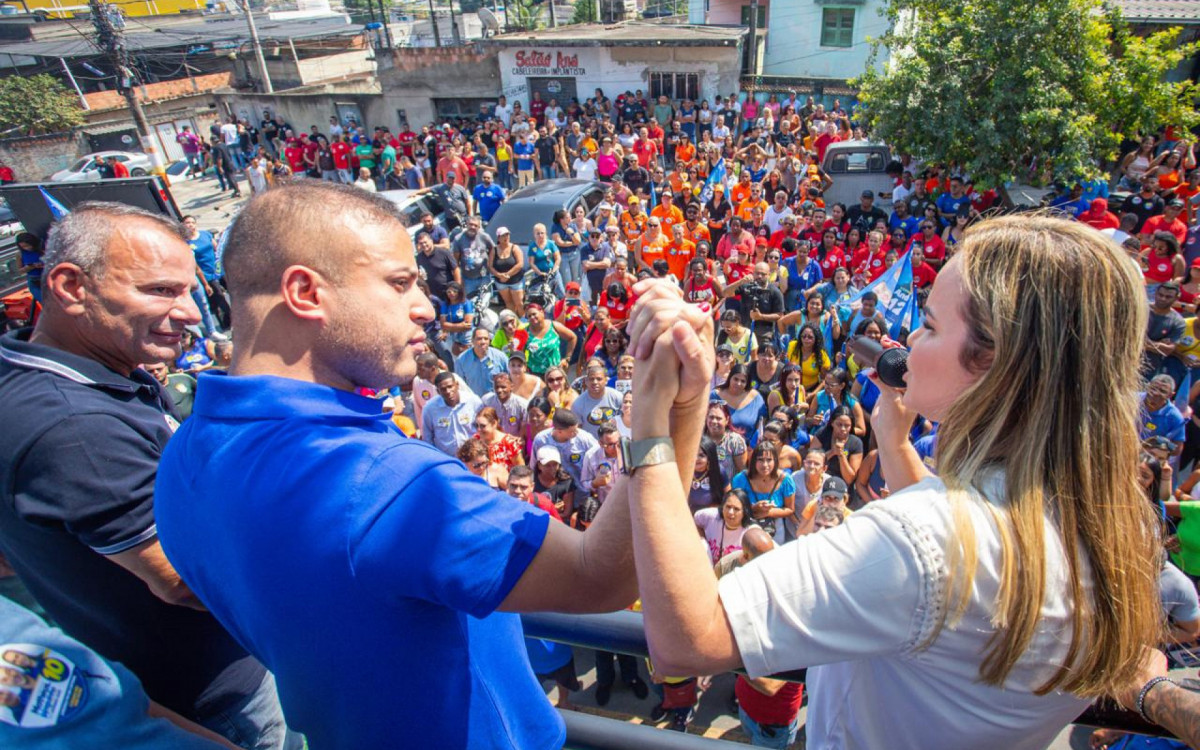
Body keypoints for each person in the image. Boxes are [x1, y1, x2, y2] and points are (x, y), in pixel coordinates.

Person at [153, 182, 711, 749]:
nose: (426, 305)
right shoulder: (388, 485)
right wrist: (675, 407)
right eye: (399, 283)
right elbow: (607, 575)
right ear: (304, 291)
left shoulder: (180, 458)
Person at [624, 215, 1163, 750]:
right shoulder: (1115, 519)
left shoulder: (918, 537)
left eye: (928, 325)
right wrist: (897, 445)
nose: (906, 340)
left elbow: (683, 638)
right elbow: (961, 572)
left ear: (992, 362)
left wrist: (657, 417)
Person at [0, 202, 293, 749]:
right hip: (215, 700)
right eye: (161, 291)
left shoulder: (48, 372)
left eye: (189, 290)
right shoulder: (74, 428)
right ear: (68, 286)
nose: (190, 312)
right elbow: (184, 580)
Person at [421, 370, 483, 455]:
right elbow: (427, 438)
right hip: (446, 458)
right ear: (438, 391)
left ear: (457, 385)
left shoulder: (473, 401)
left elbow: (483, 428)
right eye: (443, 389)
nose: (448, 391)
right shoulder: (430, 409)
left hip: (473, 455)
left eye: (450, 387)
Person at [571, 363, 624, 439]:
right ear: (586, 381)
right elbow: (577, 431)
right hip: (592, 445)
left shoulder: (617, 397)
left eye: (599, 379)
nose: (595, 382)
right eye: (591, 379)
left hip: (616, 443)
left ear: (606, 380)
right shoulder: (578, 404)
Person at [455, 326, 508, 398]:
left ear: (490, 341)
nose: (483, 342)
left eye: (486, 339)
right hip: (474, 403)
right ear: (472, 341)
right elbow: (460, 386)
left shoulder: (501, 357)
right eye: (479, 339)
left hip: (497, 402)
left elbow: (510, 380)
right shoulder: (461, 360)